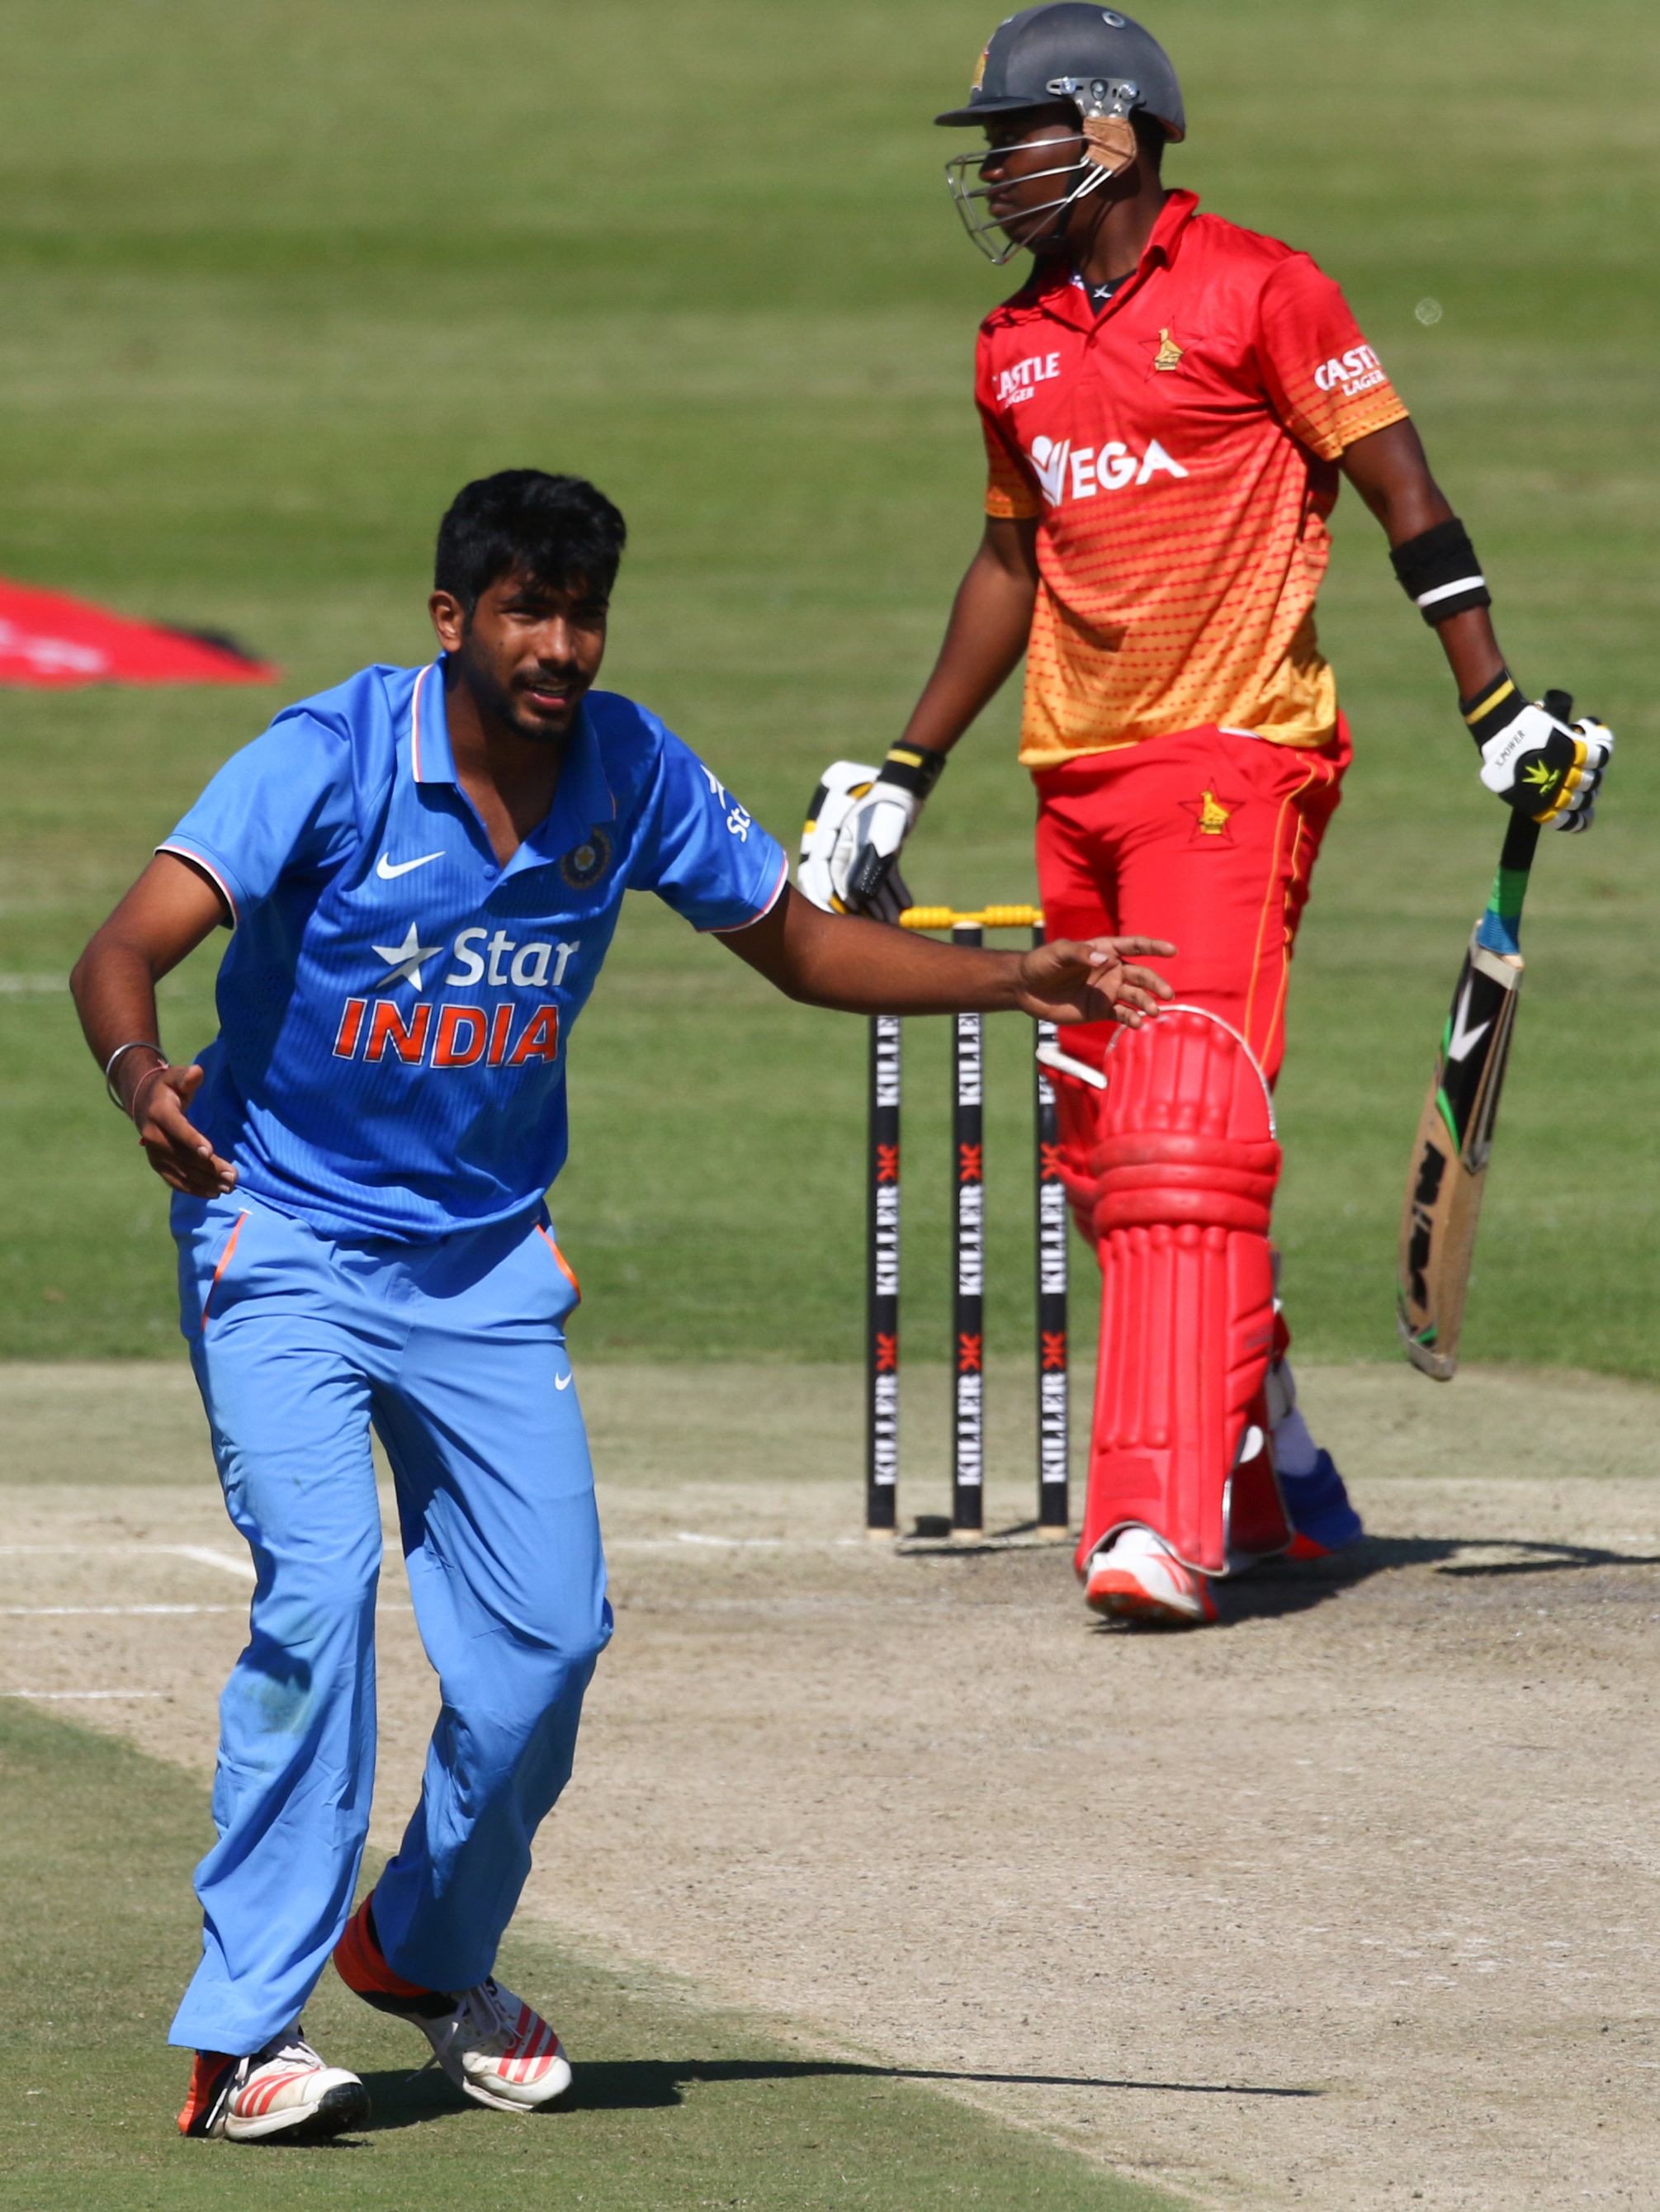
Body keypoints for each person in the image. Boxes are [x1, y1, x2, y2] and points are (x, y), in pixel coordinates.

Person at [70, 467, 1172, 2143]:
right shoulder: (329, 756)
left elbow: (799, 947)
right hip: (274, 1233)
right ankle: (242, 2033)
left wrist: (1014, 975)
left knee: (547, 1647)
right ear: (454, 619)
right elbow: (120, 948)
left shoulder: (631, 766)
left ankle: (423, 1942)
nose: (561, 645)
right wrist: (142, 1070)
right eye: (526, 610)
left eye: (583, 613)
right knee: (319, 1595)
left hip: (488, 1268)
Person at [800, 5, 1612, 1624]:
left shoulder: (1261, 286)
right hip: (1073, 774)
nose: (992, 166)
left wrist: (1493, 695)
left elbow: (1403, 489)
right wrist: (901, 767)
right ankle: (1276, 1467)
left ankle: (1150, 1520)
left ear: (1105, 129)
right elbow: (1009, 567)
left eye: (1010, 134)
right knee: (1120, 1165)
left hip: (1235, 758)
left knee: (1183, 1124)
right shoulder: (1012, 343)